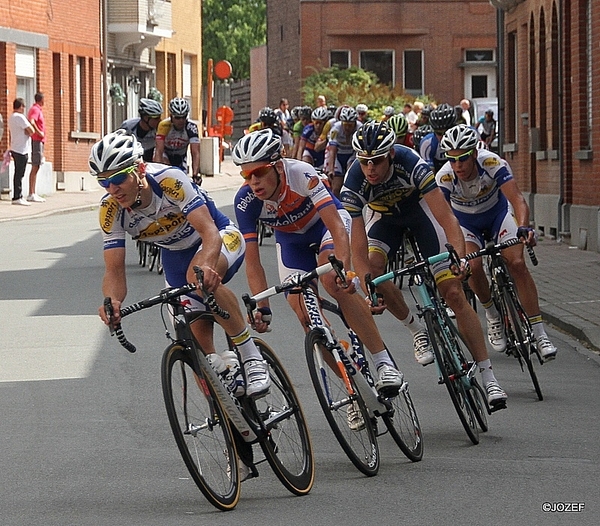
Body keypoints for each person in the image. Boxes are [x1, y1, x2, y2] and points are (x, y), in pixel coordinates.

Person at [341, 121, 508, 408]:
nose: (370, 169)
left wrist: (458, 256)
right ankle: (416, 330)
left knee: (453, 293)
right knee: (376, 271)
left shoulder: (412, 163)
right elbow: (357, 245)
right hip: (384, 221)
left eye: (377, 161)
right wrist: (369, 287)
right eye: (364, 161)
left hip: (421, 214)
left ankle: (489, 378)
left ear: (391, 154)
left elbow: (446, 218)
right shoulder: (354, 181)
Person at [92, 130, 270, 398]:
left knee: (195, 279)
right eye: (104, 182)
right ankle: (229, 386)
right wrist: (113, 301)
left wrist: (207, 265)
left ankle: (251, 356)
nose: (112, 189)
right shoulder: (111, 210)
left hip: (219, 238)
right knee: (199, 352)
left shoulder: (169, 180)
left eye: (118, 178)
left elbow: (209, 232)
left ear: (139, 168)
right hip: (174, 257)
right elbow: (114, 270)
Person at [231, 128, 404, 402]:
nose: (253, 181)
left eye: (260, 172)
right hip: (291, 242)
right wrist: (262, 306)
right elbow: (252, 262)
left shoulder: (300, 173)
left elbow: (336, 227)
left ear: (277, 165)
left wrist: (345, 270)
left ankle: (384, 363)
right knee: (304, 316)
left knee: (332, 281)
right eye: (246, 174)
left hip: (325, 226)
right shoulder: (245, 201)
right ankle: (353, 386)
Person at [436, 124, 557, 361]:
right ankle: (492, 314)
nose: (457, 165)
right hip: (466, 223)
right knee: (473, 266)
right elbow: (443, 217)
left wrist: (524, 227)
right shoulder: (445, 176)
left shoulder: (492, 163)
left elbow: (518, 199)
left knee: (518, 263)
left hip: (497, 215)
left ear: (473, 154)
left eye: (462, 159)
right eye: (452, 160)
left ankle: (540, 333)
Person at [154, 97, 201, 182]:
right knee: (167, 175)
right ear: (171, 116)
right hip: (166, 154)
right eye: (177, 117)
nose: (181, 120)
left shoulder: (191, 127)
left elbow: (195, 152)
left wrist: (195, 175)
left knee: (182, 182)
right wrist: (158, 173)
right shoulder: (164, 125)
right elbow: (159, 151)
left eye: (184, 117)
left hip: (181, 157)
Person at [326, 106, 361, 197]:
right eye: (345, 125)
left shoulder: (360, 128)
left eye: (350, 125)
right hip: (338, 155)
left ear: (355, 123)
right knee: (336, 187)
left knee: (351, 180)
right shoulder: (336, 129)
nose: (347, 128)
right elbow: (332, 150)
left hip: (352, 155)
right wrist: (331, 169)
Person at [8, 98, 35, 206]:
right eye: (23, 106)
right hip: (22, 149)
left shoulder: (11, 117)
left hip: (15, 147)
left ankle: (18, 195)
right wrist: (28, 131)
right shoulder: (20, 117)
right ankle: (17, 196)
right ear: (20, 106)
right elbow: (31, 130)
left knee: (17, 173)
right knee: (20, 174)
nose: (24, 108)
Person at [120, 98, 163, 162]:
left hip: (149, 159)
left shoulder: (160, 129)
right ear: (145, 118)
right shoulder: (128, 126)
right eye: (156, 118)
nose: (160, 120)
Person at [419, 103, 458, 173]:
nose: (443, 137)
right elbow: (430, 175)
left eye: (446, 132)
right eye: (439, 133)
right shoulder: (428, 144)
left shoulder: (468, 134)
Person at [26, 92, 46, 202]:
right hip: (37, 140)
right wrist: (39, 132)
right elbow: (32, 121)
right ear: (41, 100)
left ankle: (33, 192)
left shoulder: (38, 110)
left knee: (37, 166)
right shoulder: (35, 110)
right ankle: (31, 193)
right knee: (35, 166)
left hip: (39, 141)